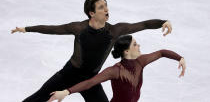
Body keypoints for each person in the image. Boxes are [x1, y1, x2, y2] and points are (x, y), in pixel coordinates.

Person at [11, 0, 172, 102]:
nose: (106, 9)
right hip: (68, 75)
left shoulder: (114, 31)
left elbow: (143, 24)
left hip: (90, 79)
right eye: (101, 7)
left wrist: (162, 22)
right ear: (91, 13)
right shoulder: (79, 28)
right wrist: (27, 29)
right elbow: (53, 29)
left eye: (106, 5)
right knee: (38, 98)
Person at [48, 35, 186, 102]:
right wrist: (67, 91)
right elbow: (90, 82)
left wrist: (180, 58)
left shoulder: (141, 61)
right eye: (135, 44)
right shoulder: (115, 70)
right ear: (126, 51)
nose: (139, 46)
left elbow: (161, 52)